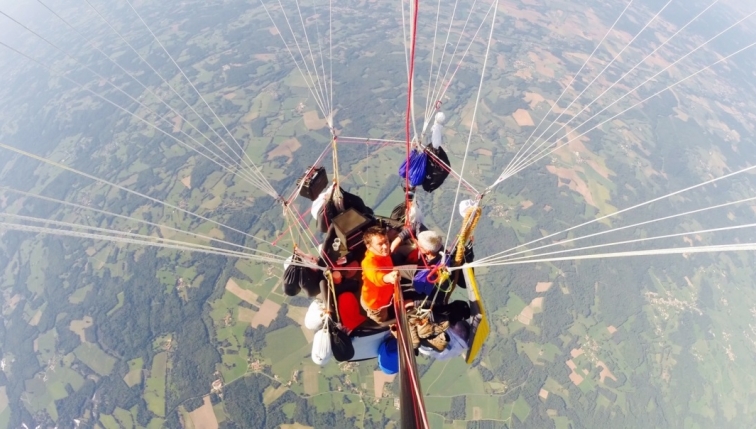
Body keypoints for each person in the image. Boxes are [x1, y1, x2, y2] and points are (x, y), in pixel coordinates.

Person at [360, 226, 399, 323]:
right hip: (377, 306)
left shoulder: (382, 253)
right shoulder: (368, 263)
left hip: (381, 296)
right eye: (380, 244)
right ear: (369, 246)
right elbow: (376, 277)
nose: (385, 247)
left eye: (386, 241)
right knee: (384, 322)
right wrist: (388, 278)